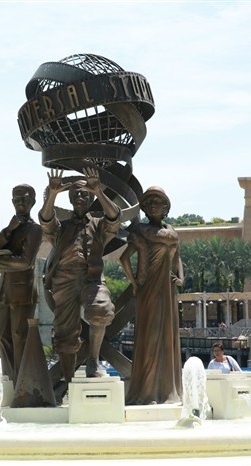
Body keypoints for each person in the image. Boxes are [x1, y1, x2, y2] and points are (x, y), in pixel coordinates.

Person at [39, 167, 120, 382]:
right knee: (65, 333)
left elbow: (114, 218)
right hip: (65, 279)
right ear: (70, 200)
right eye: (75, 195)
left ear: (91, 198)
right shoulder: (62, 228)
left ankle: (93, 361)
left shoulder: (99, 225)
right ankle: (68, 379)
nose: (80, 197)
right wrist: (52, 195)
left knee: (101, 310)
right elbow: (46, 222)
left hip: (92, 278)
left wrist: (99, 191)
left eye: (85, 194)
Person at [120, 186, 183, 405]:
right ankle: (147, 392)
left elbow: (177, 260)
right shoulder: (140, 231)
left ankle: (167, 391)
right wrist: (135, 283)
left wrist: (180, 279)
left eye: (159, 202)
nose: (155, 206)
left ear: (165, 208)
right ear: (146, 208)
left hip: (168, 291)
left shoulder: (172, 232)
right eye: (151, 202)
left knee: (167, 338)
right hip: (149, 290)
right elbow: (124, 259)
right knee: (151, 336)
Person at [0, 184, 42, 385]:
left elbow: (26, 261)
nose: (20, 202)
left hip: (23, 292)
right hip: (6, 291)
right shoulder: (10, 229)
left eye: (24, 199)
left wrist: (1, 262)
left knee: (19, 336)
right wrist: (8, 230)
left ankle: (22, 383)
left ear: (33, 201)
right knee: (3, 336)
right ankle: (9, 381)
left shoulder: (35, 229)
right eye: (16, 199)